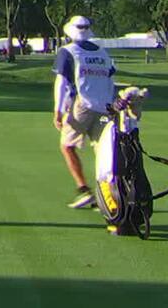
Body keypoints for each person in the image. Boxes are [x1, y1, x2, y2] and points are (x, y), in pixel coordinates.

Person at [52, 14, 117, 210]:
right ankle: (108, 196)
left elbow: (62, 83)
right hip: (105, 107)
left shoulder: (68, 51)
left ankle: (84, 190)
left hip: (82, 105)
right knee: (104, 153)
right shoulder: (102, 53)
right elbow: (110, 80)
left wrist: (58, 110)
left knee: (67, 145)